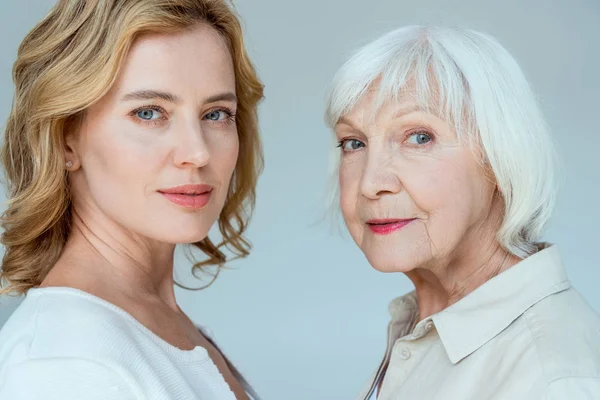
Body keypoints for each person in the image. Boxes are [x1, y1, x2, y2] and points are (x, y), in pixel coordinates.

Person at [0, 1, 263, 399]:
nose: (198, 152)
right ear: (65, 137)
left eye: (216, 114)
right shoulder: (65, 366)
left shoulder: (158, 325)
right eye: (148, 113)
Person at [325, 25, 600, 399]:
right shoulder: (423, 323)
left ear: (502, 159)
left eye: (419, 137)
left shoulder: (553, 380)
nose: (370, 183)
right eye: (353, 143)